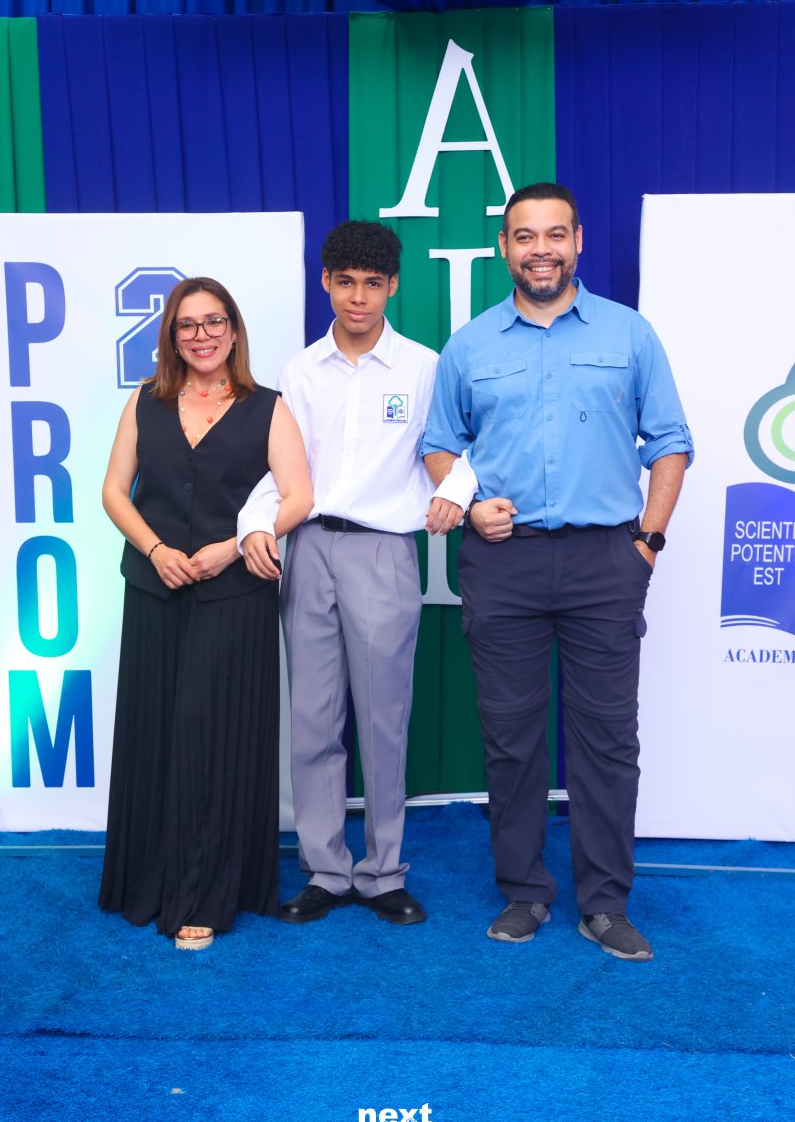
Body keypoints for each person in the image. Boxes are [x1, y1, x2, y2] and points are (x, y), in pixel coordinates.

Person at [421, 183, 693, 961]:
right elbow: (440, 444)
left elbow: (670, 442)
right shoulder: (470, 345)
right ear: (504, 247)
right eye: (524, 236)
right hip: (502, 563)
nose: (540, 250)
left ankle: (605, 903)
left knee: (606, 739)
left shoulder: (629, 334)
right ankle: (525, 891)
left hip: (605, 560)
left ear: (577, 241)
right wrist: (470, 507)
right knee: (511, 738)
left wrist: (647, 542)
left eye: (553, 235)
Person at [237, 220, 474, 926]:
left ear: (393, 285)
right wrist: (255, 522)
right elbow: (284, 470)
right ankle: (325, 870)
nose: (358, 297)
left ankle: (383, 872)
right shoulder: (300, 371)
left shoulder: (424, 367)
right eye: (345, 282)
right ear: (326, 283)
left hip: (383, 552)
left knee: (383, 719)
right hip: (309, 547)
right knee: (313, 718)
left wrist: (458, 491)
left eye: (372, 283)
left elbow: (461, 445)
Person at [98, 277, 312, 950]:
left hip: (234, 594)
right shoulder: (146, 401)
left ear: (234, 330)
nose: (202, 335)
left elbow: (299, 497)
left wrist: (236, 545)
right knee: (157, 731)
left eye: (214, 321)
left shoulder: (268, 408)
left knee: (212, 738)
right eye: (188, 324)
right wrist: (156, 550)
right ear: (172, 335)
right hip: (155, 590)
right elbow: (114, 491)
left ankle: (205, 894)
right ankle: (148, 879)